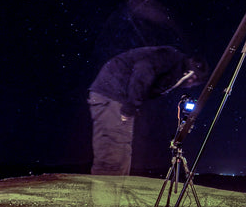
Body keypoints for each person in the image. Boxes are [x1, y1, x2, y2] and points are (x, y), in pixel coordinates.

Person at [87, 46, 208, 175]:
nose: (189, 86)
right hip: (112, 94)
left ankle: (115, 191)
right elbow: (144, 70)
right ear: (191, 75)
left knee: (123, 149)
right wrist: (131, 107)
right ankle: (104, 193)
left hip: (120, 98)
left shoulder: (174, 69)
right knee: (113, 149)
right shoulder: (171, 58)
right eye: (193, 83)